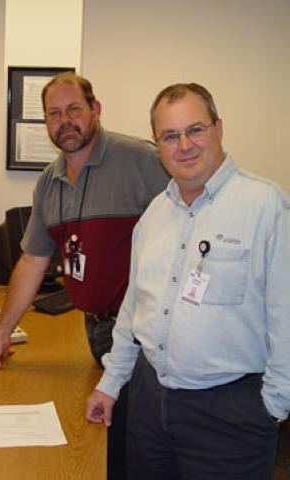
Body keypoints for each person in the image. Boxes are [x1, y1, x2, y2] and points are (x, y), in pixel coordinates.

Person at [86, 82, 290, 479]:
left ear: (218, 128)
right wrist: (111, 384)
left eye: (195, 130)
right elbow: (133, 310)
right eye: (170, 136)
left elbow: (287, 316)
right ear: (157, 145)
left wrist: (274, 405)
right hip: (150, 404)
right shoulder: (155, 214)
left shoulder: (267, 207)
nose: (185, 145)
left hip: (230, 413)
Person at [0, 72, 169, 479]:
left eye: (74, 110)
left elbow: (186, 229)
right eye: (53, 114)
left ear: (95, 110)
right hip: (95, 326)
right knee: (105, 430)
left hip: (140, 333)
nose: (64, 121)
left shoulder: (140, 160)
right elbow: (33, 261)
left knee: (136, 443)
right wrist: (1, 333)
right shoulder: (49, 183)